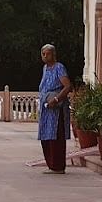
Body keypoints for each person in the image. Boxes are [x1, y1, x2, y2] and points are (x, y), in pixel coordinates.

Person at [37, 43, 72, 174]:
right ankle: (51, 165)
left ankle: (58, 166)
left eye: (48, 53)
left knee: (56, 136)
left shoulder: (59, 67)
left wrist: (56, 99)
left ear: (53, 54)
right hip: (46, 108)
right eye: (43, 54)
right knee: (46, 137)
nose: (45, 56)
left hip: (56, 108)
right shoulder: (45, 68)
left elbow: (67, 86)